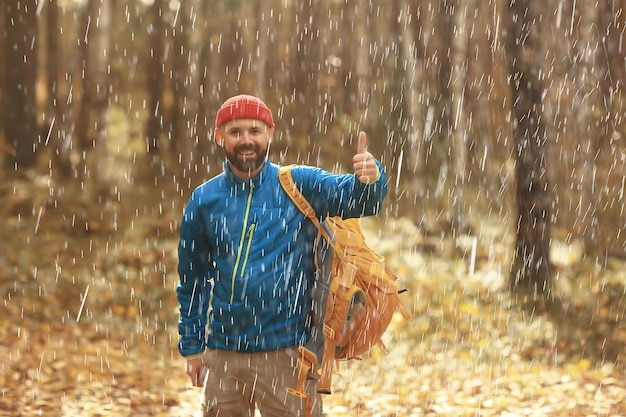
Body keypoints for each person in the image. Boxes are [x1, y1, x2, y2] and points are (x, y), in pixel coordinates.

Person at [176, 94, 387, 417]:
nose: (246, 140)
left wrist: (369, 181)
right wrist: (192, 348)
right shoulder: (204, 200)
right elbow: (193, 280)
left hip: (287, 354)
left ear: (270, 134)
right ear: (219, 137)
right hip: (223, 355)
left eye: (254, 131)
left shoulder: (297, 184)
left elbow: (356, 201)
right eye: (235, 132)